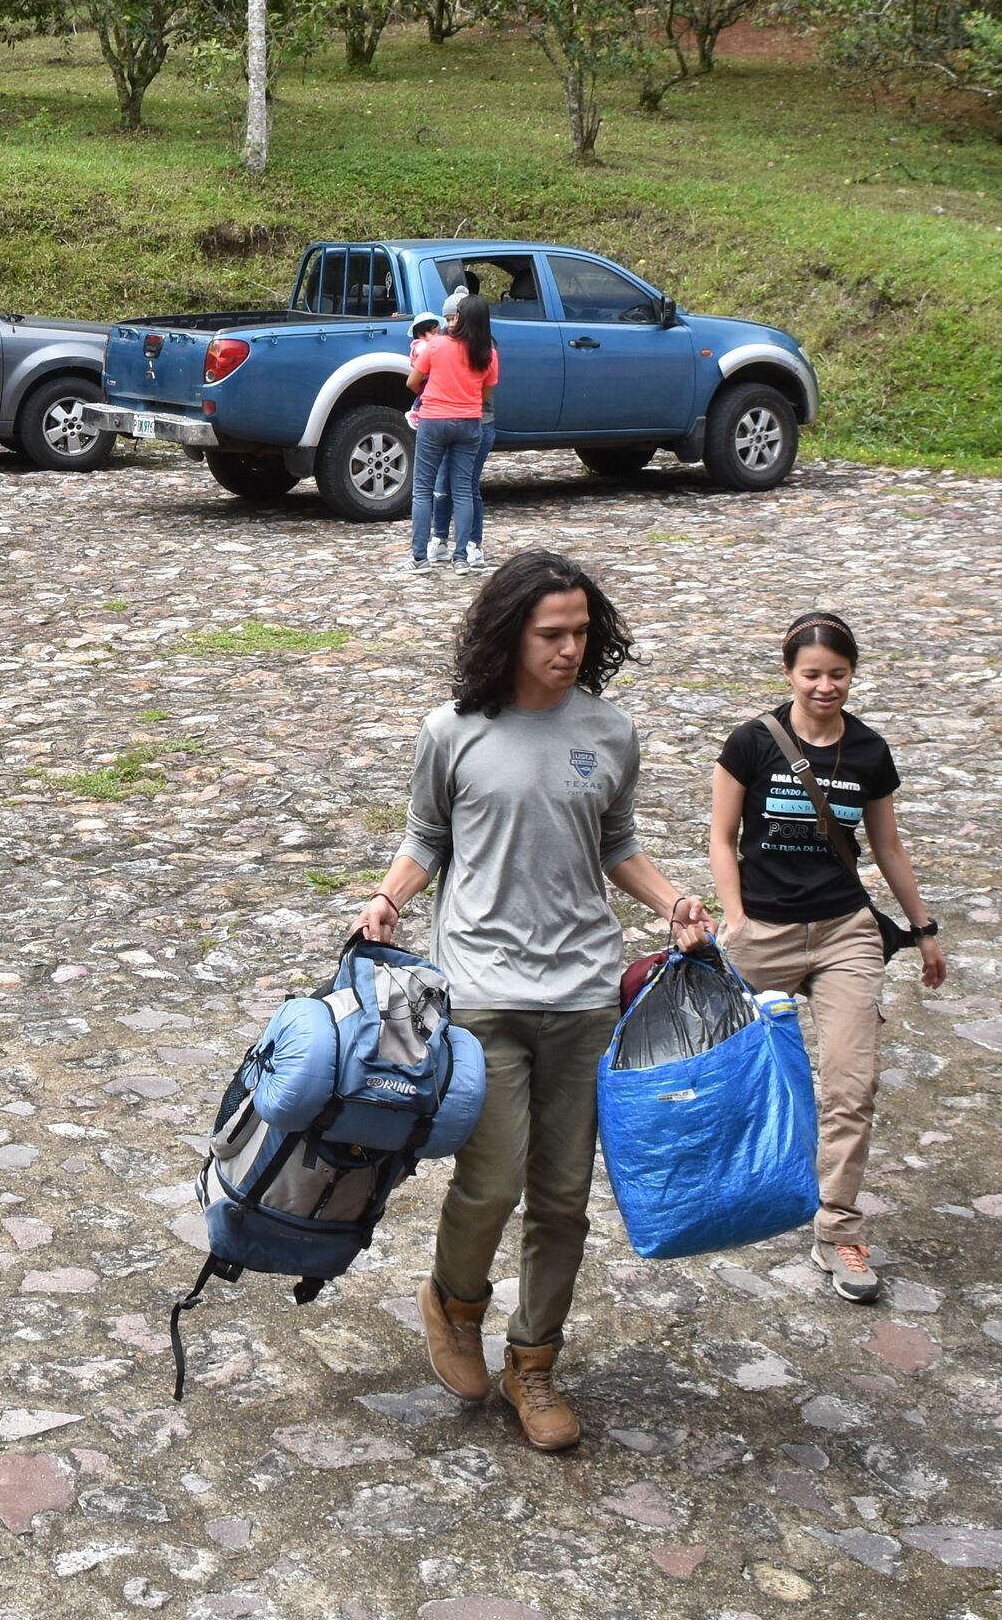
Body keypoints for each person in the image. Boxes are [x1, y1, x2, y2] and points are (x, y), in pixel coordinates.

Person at [360, 552, 712, 1455]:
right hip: (481, 989)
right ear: (511, 632)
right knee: (493, 1176)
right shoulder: (453, 731)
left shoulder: (611, 731)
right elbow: (427, 836)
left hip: (585, 993)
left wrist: (671, 900)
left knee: (562, 1197)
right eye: (550, 633)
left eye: (581, 634)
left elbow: (618, 843)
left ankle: (535, 1361)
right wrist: (390, 900)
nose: (567, 649)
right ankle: (454, 1300)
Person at [711, 610, 944, 1304]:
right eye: (812, 674)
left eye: (837, 675)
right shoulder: (752, 743)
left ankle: (836, 1226)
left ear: (853, 675)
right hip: (764, 932)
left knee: (851, 1084)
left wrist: (923, 927)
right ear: (789, 673)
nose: (825, 687)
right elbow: (723, 836)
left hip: (844, 933)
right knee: (718, 1069)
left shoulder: (869, 753)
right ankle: (717, 1191)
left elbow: (888, 846)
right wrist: (736, 919)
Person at [407, 291, 498, 571]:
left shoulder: (437, 345)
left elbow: (412, 381)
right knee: (463, 491)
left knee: (423, 489)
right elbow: (484, 394)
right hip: (470, 422)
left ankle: (420, 556)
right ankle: (462, 557)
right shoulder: (489, 353)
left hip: (434, 420)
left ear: (461, 319)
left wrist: (431, 393)